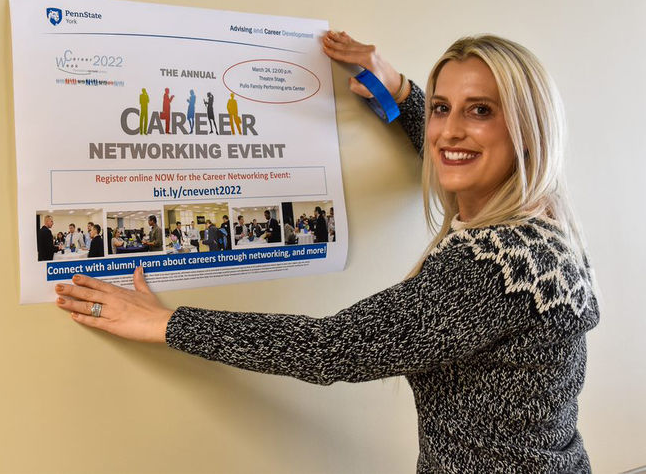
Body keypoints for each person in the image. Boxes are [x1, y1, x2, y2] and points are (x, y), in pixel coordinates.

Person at [55, 31, 599, 473]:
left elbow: (334, 348)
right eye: (441, 108)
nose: (449, 130)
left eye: (480, 110)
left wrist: (168, 323)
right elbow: (454, 149)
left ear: (528, 129)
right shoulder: (548, 223)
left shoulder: (492, 266)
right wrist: (403, 94)